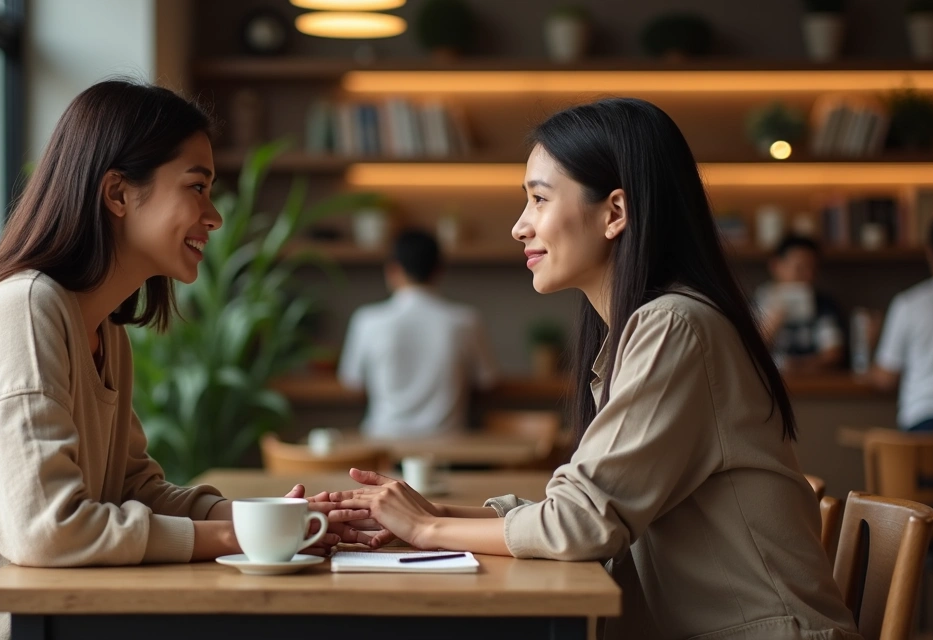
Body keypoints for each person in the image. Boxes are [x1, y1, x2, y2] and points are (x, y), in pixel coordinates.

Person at [327, 98, 860, 639]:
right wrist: (434, 513)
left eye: (538, 199)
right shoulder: (647, 328)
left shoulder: (674, 326)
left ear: (615, 213)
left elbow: (581, 524)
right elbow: (579, 509)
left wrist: (428, 528)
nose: (519, 226)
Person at [0, 80, 340, 639]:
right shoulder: (22, 310)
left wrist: (269, 520)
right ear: (118, 193)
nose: (214, 216)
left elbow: (134, 490)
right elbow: (47, 529)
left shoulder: (98, 330)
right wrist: (235, 537)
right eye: (196, 188)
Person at [337, 229, 496, 438]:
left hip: (381, 446)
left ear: (393, 270)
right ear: (439, 270)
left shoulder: (367, 320)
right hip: (448, 449)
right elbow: (488, 381)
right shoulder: (465, 321)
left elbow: (352, 384)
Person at [868, 217, 933, 431]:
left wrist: (871, 347)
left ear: (930, 251)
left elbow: (885, 379)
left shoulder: (910, 304)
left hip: (926, 420)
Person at [755, 235, 845, 372]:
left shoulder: (824, 305)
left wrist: (797, 366)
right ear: (776, 266)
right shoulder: (756, 303)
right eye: (800, 268)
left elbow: (833, 354)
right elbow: (745, 354)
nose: (808, 276)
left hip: (812, 386)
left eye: (813, 269)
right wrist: (770, 328)